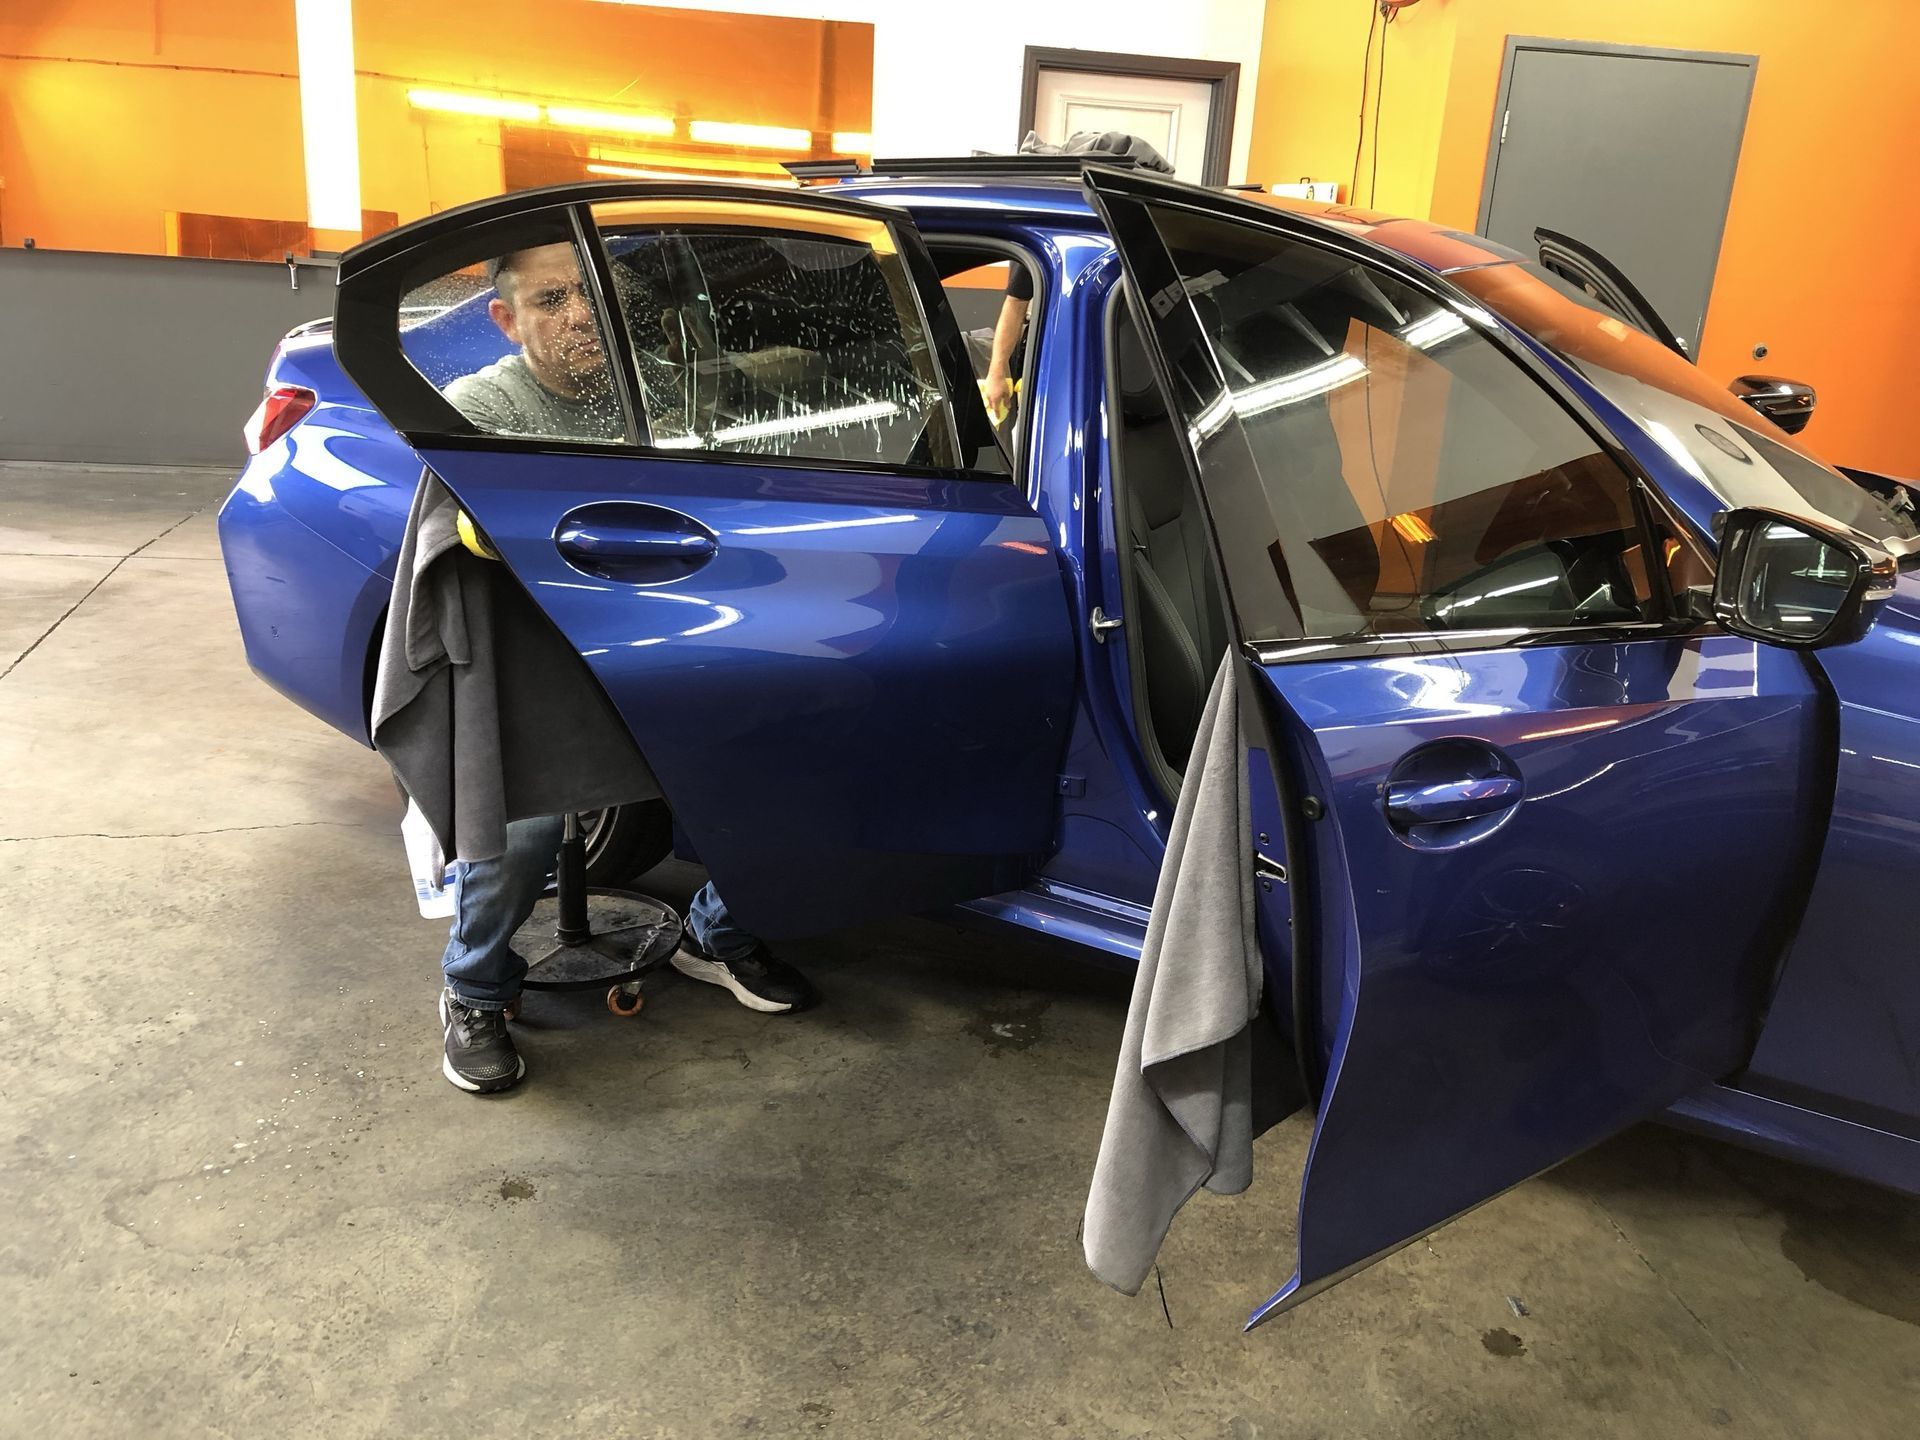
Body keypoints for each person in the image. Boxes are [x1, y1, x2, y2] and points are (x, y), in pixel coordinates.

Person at [436, 242, 818, 1095]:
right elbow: (461, 545)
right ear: (508, 318)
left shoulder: (665, 391)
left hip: (670, 644)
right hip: (542, 657)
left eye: (595, 298)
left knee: (792, 756)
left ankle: (712, 934)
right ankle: (474, 990)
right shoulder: (480, 407)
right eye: (551, 300)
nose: (579, 316)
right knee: (524, 817)